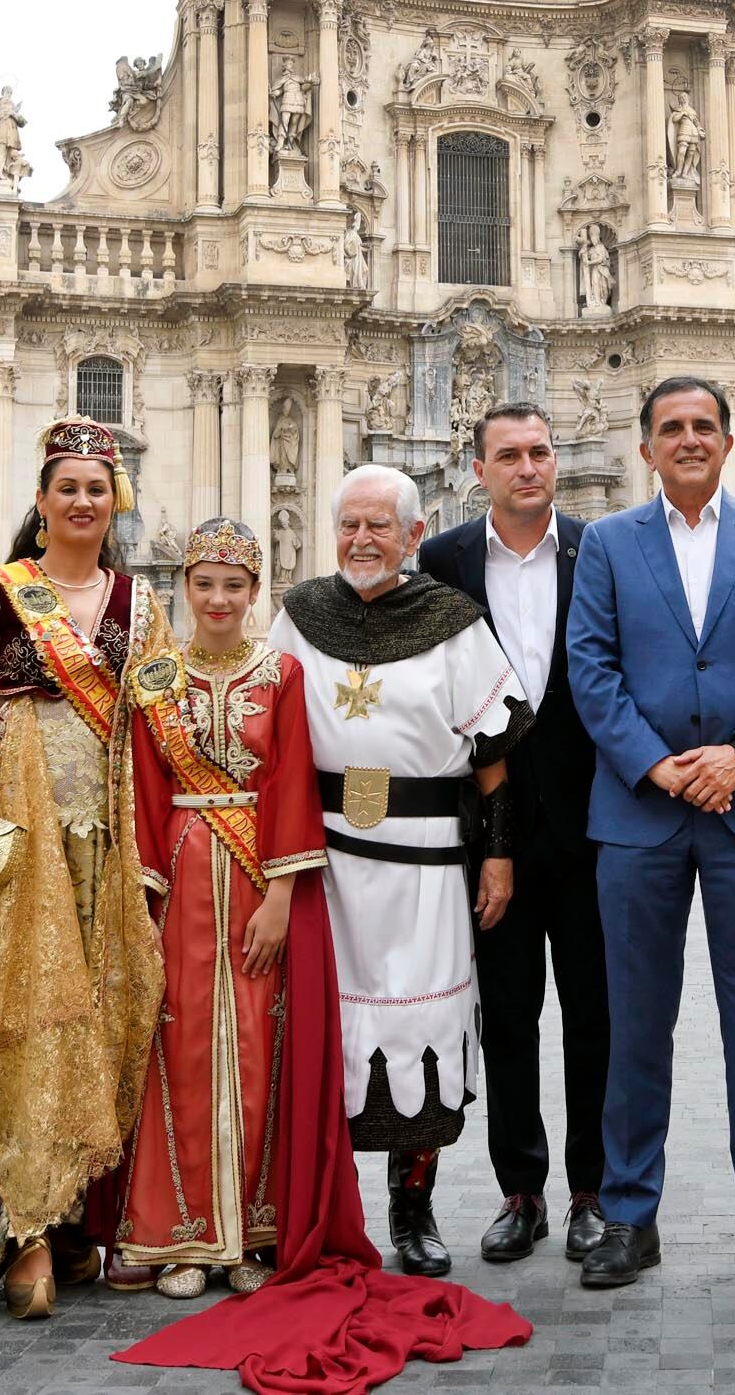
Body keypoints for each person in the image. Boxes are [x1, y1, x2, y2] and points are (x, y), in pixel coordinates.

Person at [564, 376, 735, 1292]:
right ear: (645, 449)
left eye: (702, 427)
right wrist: (656, 764)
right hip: (640, 814)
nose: (687, 440)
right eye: (670, 429)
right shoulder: (606, 543)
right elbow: (588, 666)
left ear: (726, 439)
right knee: (635, 1022)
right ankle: (628, 1217)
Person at [0, 417, 171, 1318]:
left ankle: (73, 1211)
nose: (81, 501)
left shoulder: (139, 605)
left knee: (104, 1010)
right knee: (24, 1012)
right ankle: (22, 1230)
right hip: (17, 814)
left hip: (111, 827)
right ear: (39, 502)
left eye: (97, 488)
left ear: (118, 502)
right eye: (65, 487)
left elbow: (156, 734)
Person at [267, 464, 528, 1278]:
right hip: (325, 864)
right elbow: (268, 739)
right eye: (349, 524)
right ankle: (318, 1209)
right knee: (323, 1030)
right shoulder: (300, 615)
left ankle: (412, 1212)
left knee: (417, 1034)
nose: (361, 540)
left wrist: (500, 858)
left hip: (425, 868)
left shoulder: (452, 621)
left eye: (380, 525)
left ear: (414, 535)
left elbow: (492, 761)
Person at [113, 517, 329, 1299]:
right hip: (179, 879)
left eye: (233, 586)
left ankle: (250, 1229)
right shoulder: (153, 685)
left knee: (257, 1046)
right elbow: (140, 795)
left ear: (253, 593)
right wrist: (143, 899)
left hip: (256, 880)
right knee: (184, 1048)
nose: (217, 598)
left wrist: (280, 898)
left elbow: (293, 783)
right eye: (203, 583)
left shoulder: (280, 677)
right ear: (183, 588)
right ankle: (186, 1236)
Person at [418, 403, 613, 1267]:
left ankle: (593, 1191)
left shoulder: (599, 550)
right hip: (486, 836)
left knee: (594, 1015)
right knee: (506, 1015)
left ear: (555, 462)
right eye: (510, 455)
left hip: (593, 827)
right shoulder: (443, 560)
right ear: (480, 466)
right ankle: (520, 1190)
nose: (528, 467)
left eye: (540, 452)